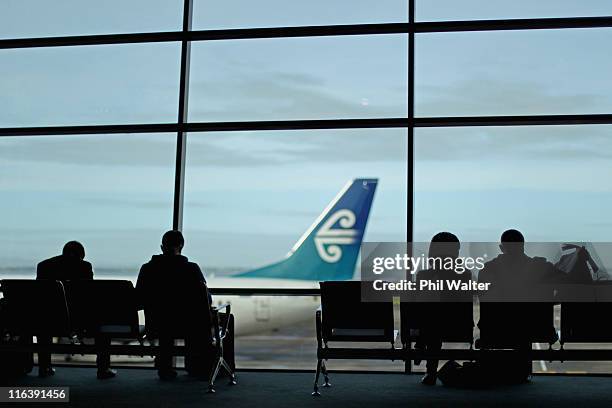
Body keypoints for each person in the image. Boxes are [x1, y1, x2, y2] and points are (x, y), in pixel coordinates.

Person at [477, 229, 572, 383]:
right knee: (524, 325)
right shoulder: (541, 267)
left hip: (495, 328)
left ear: (502, 248)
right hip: (535, 328)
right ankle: (522, 371)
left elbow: (483, 296)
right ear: (522, 245)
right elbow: (567, 280)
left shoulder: (488, 270)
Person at [136, 230, 213, 380]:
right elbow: (206, 299)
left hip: (157, 324)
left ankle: (165, 368)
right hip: (188, 325)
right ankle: (196, 367)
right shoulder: (192, 269)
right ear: (182, 246)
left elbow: (139, 299)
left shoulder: (147, 269)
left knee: (166, 324)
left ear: (161, 246)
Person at [36, 241, 116, 379]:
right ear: (81, 256)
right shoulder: (84, 267)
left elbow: (40, 297)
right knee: (102, 323)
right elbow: (87, 295)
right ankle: (103, 368)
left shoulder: (43, 266)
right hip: (78, 319)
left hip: (49, 318)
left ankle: (44, 367)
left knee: (43, 324)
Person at [415, 232, 473, 386]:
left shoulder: (423, 275)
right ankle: (422, 347)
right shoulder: (465, 274)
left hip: (429, 327)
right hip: (459, 325)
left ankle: (429, 366)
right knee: (435, 317)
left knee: (431, 318)